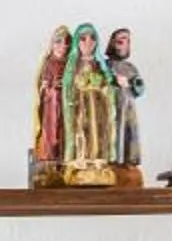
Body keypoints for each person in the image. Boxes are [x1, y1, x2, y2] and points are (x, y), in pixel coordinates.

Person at [61, 23, 117, 181]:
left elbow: (108, 84)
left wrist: (102, 86)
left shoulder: (99, 64)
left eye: (92, 38)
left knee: (97, 131)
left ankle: (98, 159)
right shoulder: (73, 64)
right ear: (77, 43)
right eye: (83, 39)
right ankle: (81, 159)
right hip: (80, 106)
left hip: (98, 106)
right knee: (82, 131)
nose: (88, 42)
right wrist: (78, 88)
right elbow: (68, 86)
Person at [30, 26, 70, 183]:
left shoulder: (70, 64)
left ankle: (64, 164)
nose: (63, 46)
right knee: (50, 134)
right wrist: (47, 87)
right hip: (50, 105)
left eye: (67, 43)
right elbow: (40, 84)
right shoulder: (47, 62)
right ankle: (48, 162)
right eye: (59, 42)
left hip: (66, 106)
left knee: (64, 133)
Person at [105, 27, 145, 171]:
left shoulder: (130, 68)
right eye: (119, 39)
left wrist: (130, 83)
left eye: (126, 40)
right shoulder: (105, 66)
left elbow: (140, 88)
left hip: (128, 103)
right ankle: (112, 159)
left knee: (129, 129)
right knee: (113, 130)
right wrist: (112, 79)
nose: (122, 43)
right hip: (111, 104)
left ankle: (130, 160)